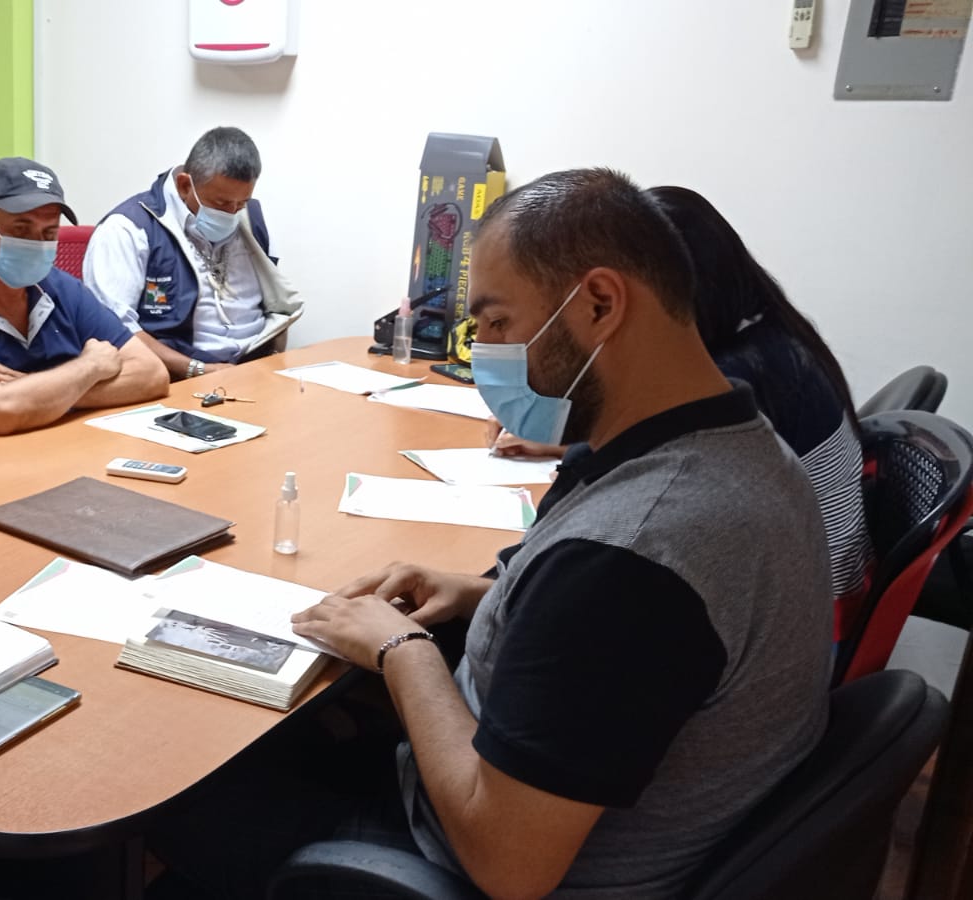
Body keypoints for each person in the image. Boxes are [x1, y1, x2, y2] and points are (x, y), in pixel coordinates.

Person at [154, 169, 835, 899]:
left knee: (176, 791)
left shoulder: (634, 559)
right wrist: (480, 592)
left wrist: (402, 651)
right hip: (570, 795)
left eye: (498, 323)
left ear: (600, 304)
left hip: (470, 857)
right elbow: (604, 650)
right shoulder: (738, 445)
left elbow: (510, 865)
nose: (484, 351)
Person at [489, 185, 871, 603]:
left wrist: (565, 436)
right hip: (810, 585)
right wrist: (562, 437)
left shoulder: (731, 382)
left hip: (804, 601)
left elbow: (634, 478)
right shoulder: (769, 335)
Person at [0, 156, 168, 454]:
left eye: (49, 233)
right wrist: (91, 366)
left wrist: (44, 392)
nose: (36, 244)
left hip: (50, 456)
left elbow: (152, 375)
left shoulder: (61, 288)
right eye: (21, 229)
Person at [83, 126, 301, 381]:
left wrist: (271, 362)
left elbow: (276, 307)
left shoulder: (253, 219)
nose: (232, 213)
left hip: (255, 371)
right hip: (178, 378)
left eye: (241, 203)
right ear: (185, 185)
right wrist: (197, 369)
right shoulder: (127, 229)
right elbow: (115, 330)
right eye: (221, 203)